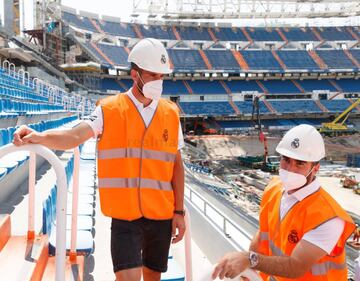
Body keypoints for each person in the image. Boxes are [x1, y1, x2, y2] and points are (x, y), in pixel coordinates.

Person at [12, 38, 186, 281]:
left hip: (161, 214)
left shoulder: (171, 113)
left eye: (162, 76)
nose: (159, 81)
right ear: (135, 75)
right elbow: (74, 136)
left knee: (153, 277)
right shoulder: (109, 110)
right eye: (153, 75)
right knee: (127, 278)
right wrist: (39, 136)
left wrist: (179, 211)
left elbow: (177, 165)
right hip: (125, 216)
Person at [212, 124, 355, 280]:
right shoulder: (273, 189)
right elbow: (262, 236)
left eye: (300, 163)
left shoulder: (327, 217)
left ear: (315, 168)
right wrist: (249, 274)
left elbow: (296, 267)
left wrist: (249, 260)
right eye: (286, 160)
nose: (290, 169)